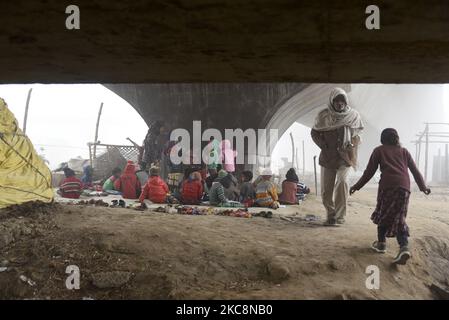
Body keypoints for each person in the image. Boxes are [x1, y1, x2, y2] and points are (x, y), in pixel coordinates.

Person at [350, 128, 431, 265]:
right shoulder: (404, 152)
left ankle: (384, 244)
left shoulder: (379, 150)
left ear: (383, 139)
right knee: (399, 216)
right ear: (397, 138)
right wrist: (423, 187)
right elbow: (415, 171)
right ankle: (399, 246)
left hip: (388, 188)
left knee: (383, 213)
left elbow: (369, 172)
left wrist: (356, 186)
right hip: (404, 188)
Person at [311, 87, 364, 225]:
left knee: (342, 182)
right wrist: (323, 145)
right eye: (336, 101)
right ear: (331, 102)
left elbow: (357, 134)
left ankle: (340, 217)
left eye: (342, 101)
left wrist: (353, 145)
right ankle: (331, 216)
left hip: (344, 158)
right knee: (326, 191)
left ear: (346, 102)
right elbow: (315, 132)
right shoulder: (323, 116)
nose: (339, 103)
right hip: (327, 158)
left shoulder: (353, 116)